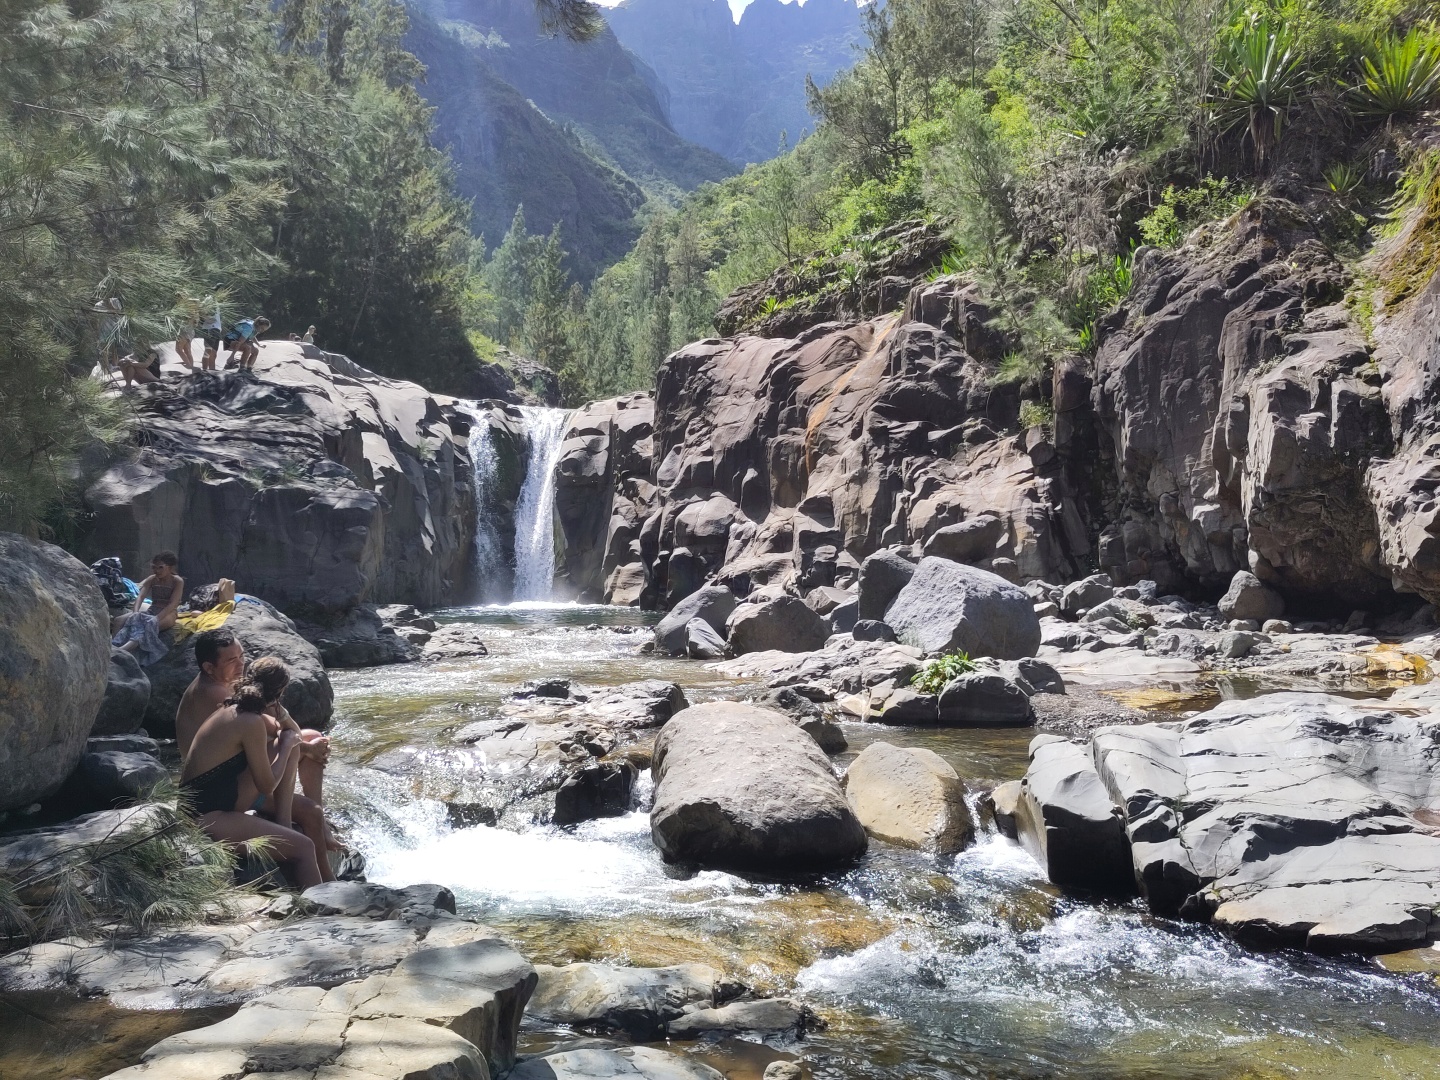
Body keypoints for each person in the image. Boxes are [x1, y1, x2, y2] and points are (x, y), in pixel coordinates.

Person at [181, 664, 323, 889]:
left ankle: (284, 823)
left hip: (218, 801)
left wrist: (282, 718)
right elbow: (267, 786)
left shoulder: (236, 709)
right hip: (206, 816)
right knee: (304, 847)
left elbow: (291, 732)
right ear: (279, 693)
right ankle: (322, 914)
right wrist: (285, 748)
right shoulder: (250, 722)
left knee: (290, 741)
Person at [246, 657, 338, 881]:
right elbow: (289, 740)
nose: (237, 662)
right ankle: (325, 875)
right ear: (282, 689)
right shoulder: (251, 714)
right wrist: (305, 748)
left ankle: (322, 825)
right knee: (295, 744)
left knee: (310, 737)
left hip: (258, 778)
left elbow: (294, 731)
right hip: (249, 789)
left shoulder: (266, 708)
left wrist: (282, 713)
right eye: (233, 659)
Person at [176, 628, 246, 759]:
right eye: (232, 660)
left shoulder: (212, 679)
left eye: (241, 656)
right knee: (288, 741)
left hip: (208, 767)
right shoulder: (215, 692)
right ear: (209, 667)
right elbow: (254, 728)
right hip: (208, 775)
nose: (241, 664)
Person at [130, 551, 185, 634]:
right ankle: (113, 646)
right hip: (152, 610)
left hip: (168, 613)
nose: (157, 571)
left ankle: (127, 647)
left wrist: (157, 618)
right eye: (154, 567)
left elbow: (173, 604)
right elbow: (141, 597)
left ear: (169, 567)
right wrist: (135, 613)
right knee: (119, 620)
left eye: (160, 567)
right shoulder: (152, 579)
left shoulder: (177, 581)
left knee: (149, 626)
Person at [198, 292, 223, 371]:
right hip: (210, 328)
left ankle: (212, 371)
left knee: (214, 353)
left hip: (216, 328)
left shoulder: (217, 301)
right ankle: (204, 371)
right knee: (208, 350)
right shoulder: (209, 299)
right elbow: (201, 309)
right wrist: (207, 319)